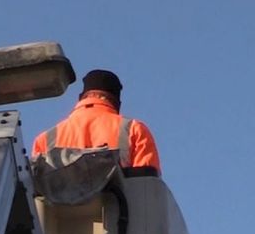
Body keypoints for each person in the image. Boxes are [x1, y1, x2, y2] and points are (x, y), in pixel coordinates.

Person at [31, 69, 161, 176]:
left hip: (58, 207)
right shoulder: (134, 130)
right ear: (116, 101)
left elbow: (34, 191)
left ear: (82, 97)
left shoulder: (44, 140)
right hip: (116, 206)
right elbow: (148, 186)